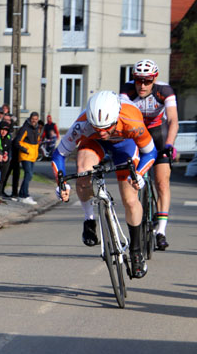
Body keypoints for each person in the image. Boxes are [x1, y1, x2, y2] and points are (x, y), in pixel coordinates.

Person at [53, 90, 157, 278]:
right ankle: (89, 220)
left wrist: (139, 174)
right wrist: (61, 184)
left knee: (129, 198)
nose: (102, 132)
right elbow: (59, 154)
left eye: (106, 128)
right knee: (83, 169)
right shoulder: (83, 123)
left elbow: (150, 152)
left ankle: (135, 251)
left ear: (116, 117)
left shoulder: (132, 121)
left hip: (125, 144)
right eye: (97, 127)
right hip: (92, 144)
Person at [120, 59, 178, 251]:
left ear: (154, 79)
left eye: (147, 81)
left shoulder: (165, 91)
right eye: (138, 80)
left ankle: (161, 231)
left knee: (162, 182)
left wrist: (169, 144)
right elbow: (121, 117)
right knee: (132, 182)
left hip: (157, 134)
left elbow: (173, 121)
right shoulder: (127, 91)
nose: (142, 85)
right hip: (136, 135)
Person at [12, 112, 40, 205]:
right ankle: (24, 195)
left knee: (29, 175)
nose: (34, 121)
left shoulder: (36, 129)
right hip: (26, 155)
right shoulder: (25, 128)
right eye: (33, 119)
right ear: (30, 118)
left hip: (32, 156)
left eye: (36, 119)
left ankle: (21, 194)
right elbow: (17, 142)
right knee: (29, 174)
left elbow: (37, 142)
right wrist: (25, 150)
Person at [0, 120, 13, 199]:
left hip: (5, 162)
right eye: (2, 130)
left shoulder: (8, 139)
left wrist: (7, 157)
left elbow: (9, 150)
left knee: (2, 178)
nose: (3, 132)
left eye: (5, 130)